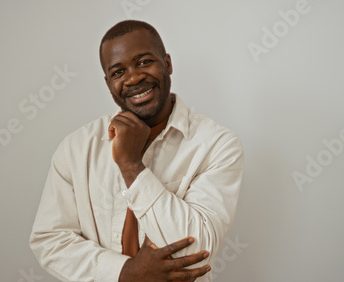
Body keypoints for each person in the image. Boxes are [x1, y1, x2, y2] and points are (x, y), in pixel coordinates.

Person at [29, 20, 244, 282]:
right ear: (108, 82)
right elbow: (50, 241)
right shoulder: (76, 148)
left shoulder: (218, 145)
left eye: (144, 62)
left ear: (168, 63)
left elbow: (196, 250)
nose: (133, 78)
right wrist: (126, 272)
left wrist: (131, 165)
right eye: (118, 72)